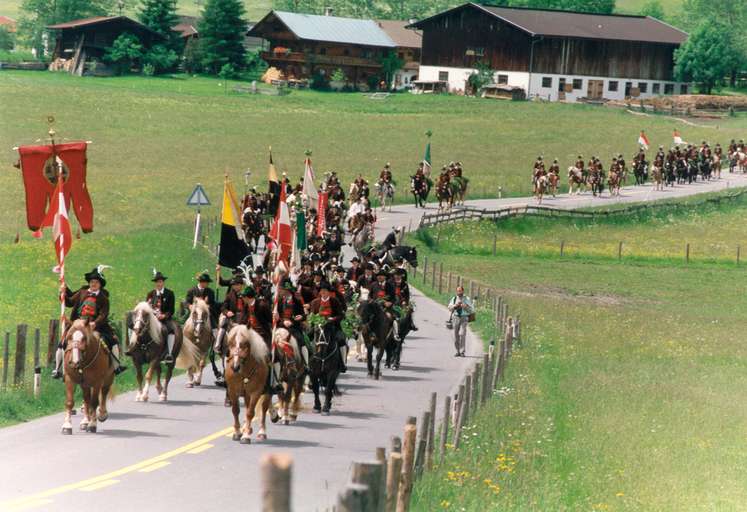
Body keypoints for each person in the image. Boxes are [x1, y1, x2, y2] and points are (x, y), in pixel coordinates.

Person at [52, 267, 127, 379]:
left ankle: (116, 367)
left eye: (96, 282)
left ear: (100, 284)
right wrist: (63, 292)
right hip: (78, 324)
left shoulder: (104, 298)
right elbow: (69, 302)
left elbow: (103, 314)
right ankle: (58, 369)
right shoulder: (82, 292)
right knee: (62, 342)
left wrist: (95, 323)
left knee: (113, 341)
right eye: (91, 282)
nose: (93, 284)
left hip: (96, 326)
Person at [308, 282, 347, 372]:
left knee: (341, 340)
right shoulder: (315, 302)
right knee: (306, 339)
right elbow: (312, 316)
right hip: (318, 327)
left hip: (332, 326)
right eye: (322, 291)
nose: (324, 293)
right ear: (320, 292)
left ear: (329, 292)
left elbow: (341, 315)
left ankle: (342, 363)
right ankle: (308, 363)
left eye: (326, 291)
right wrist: (315, 321)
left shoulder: (334, 301)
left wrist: (333, 319)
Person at [145, 270, 177, 363]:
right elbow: (147, 307)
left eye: (160, 282)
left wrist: (164, 316)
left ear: (163, 282)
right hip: (153, 319)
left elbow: (171, 310)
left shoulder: (170, 293)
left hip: (165, 319)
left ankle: (169, 353)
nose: (158, 284)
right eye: (157, 282)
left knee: (170, 330)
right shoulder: (151, 294)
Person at [448, 285, 473, 357]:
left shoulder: (467, 299)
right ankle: (457, 351)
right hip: (455, 317)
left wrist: (465, 306)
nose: (459, 292)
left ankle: (462, 351)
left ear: (463, 291)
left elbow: (471, 310)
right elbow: (449, 307)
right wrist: (455, 306)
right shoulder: (454, 298)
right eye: (458, 291)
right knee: (456, 335)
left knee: (462, 334)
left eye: (460, 291)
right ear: (456, 291)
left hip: (464, 317)